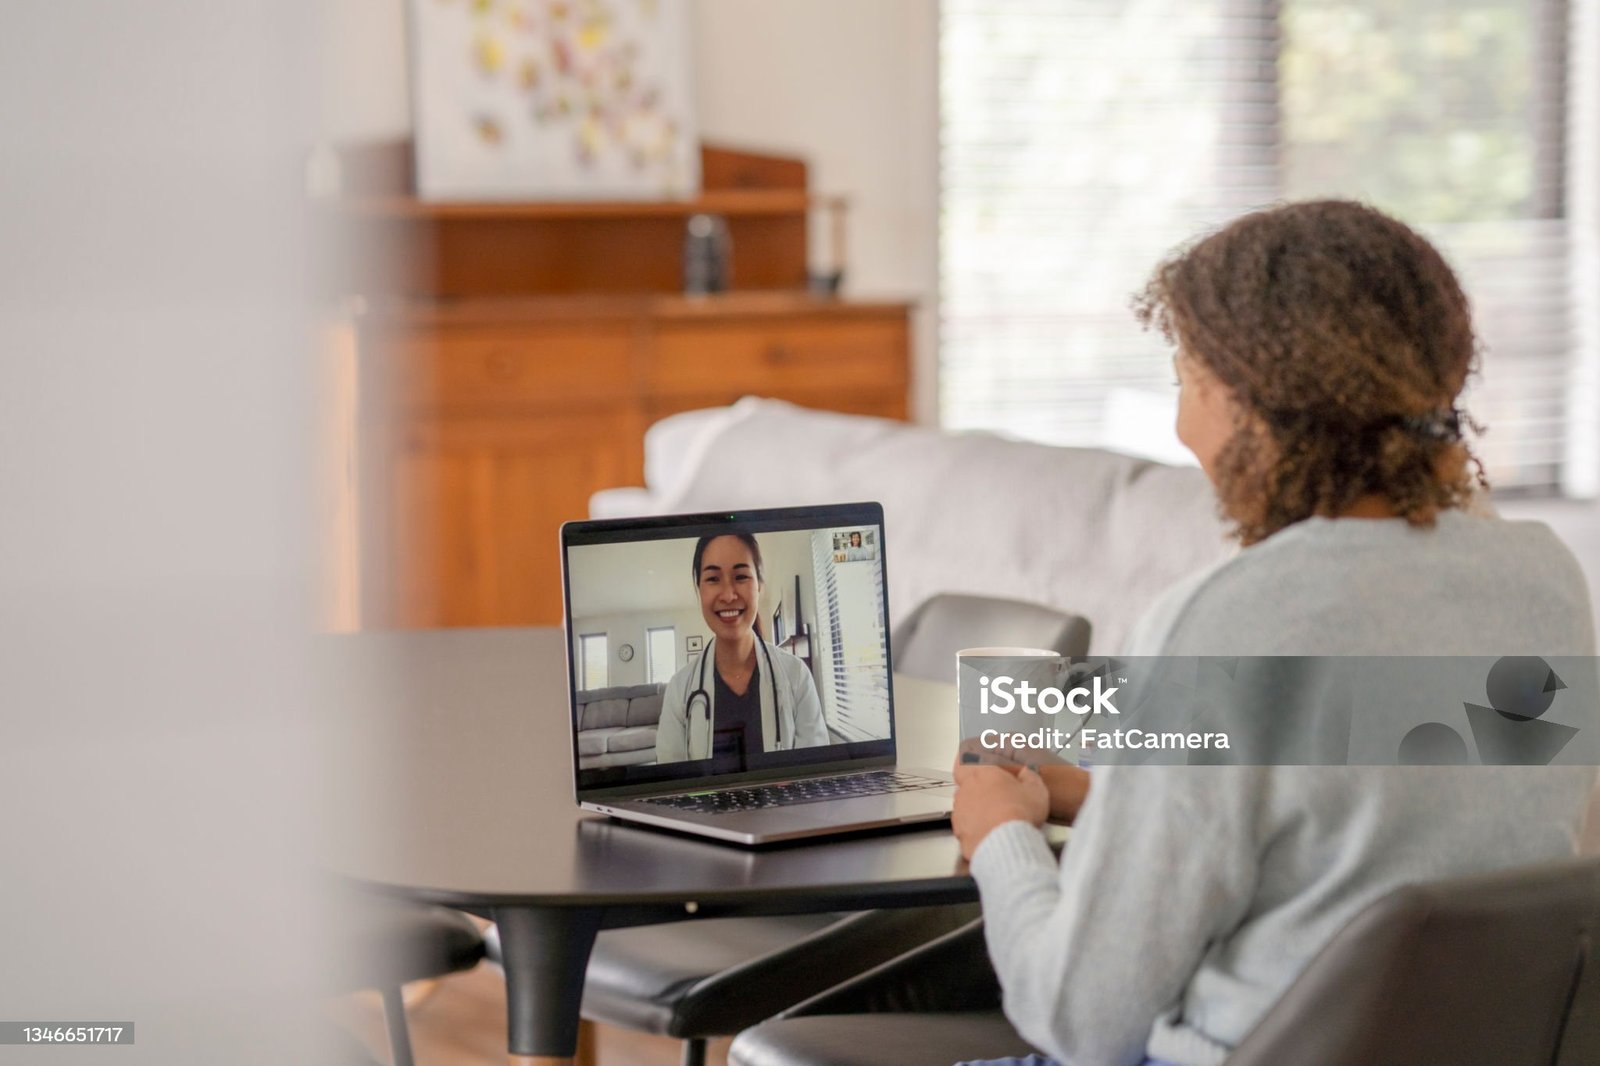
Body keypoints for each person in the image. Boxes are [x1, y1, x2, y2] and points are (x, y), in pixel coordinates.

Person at [950, 201, 1598, 1066]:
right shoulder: (1545, 583)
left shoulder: (1224, 620)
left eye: (1186, 381)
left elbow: (1080, 1021)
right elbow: (1377, 833)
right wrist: (1123, 797)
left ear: (1249, 406)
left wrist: (1000, 831)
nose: (1183, 430)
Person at [656, 533, 828, 763]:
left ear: (760, 587)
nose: (728, 595)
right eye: (713, 579)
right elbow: (672, 787)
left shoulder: (796, 677)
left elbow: (814, 774)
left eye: (741, 576)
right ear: (699, 590)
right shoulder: (679, 690)